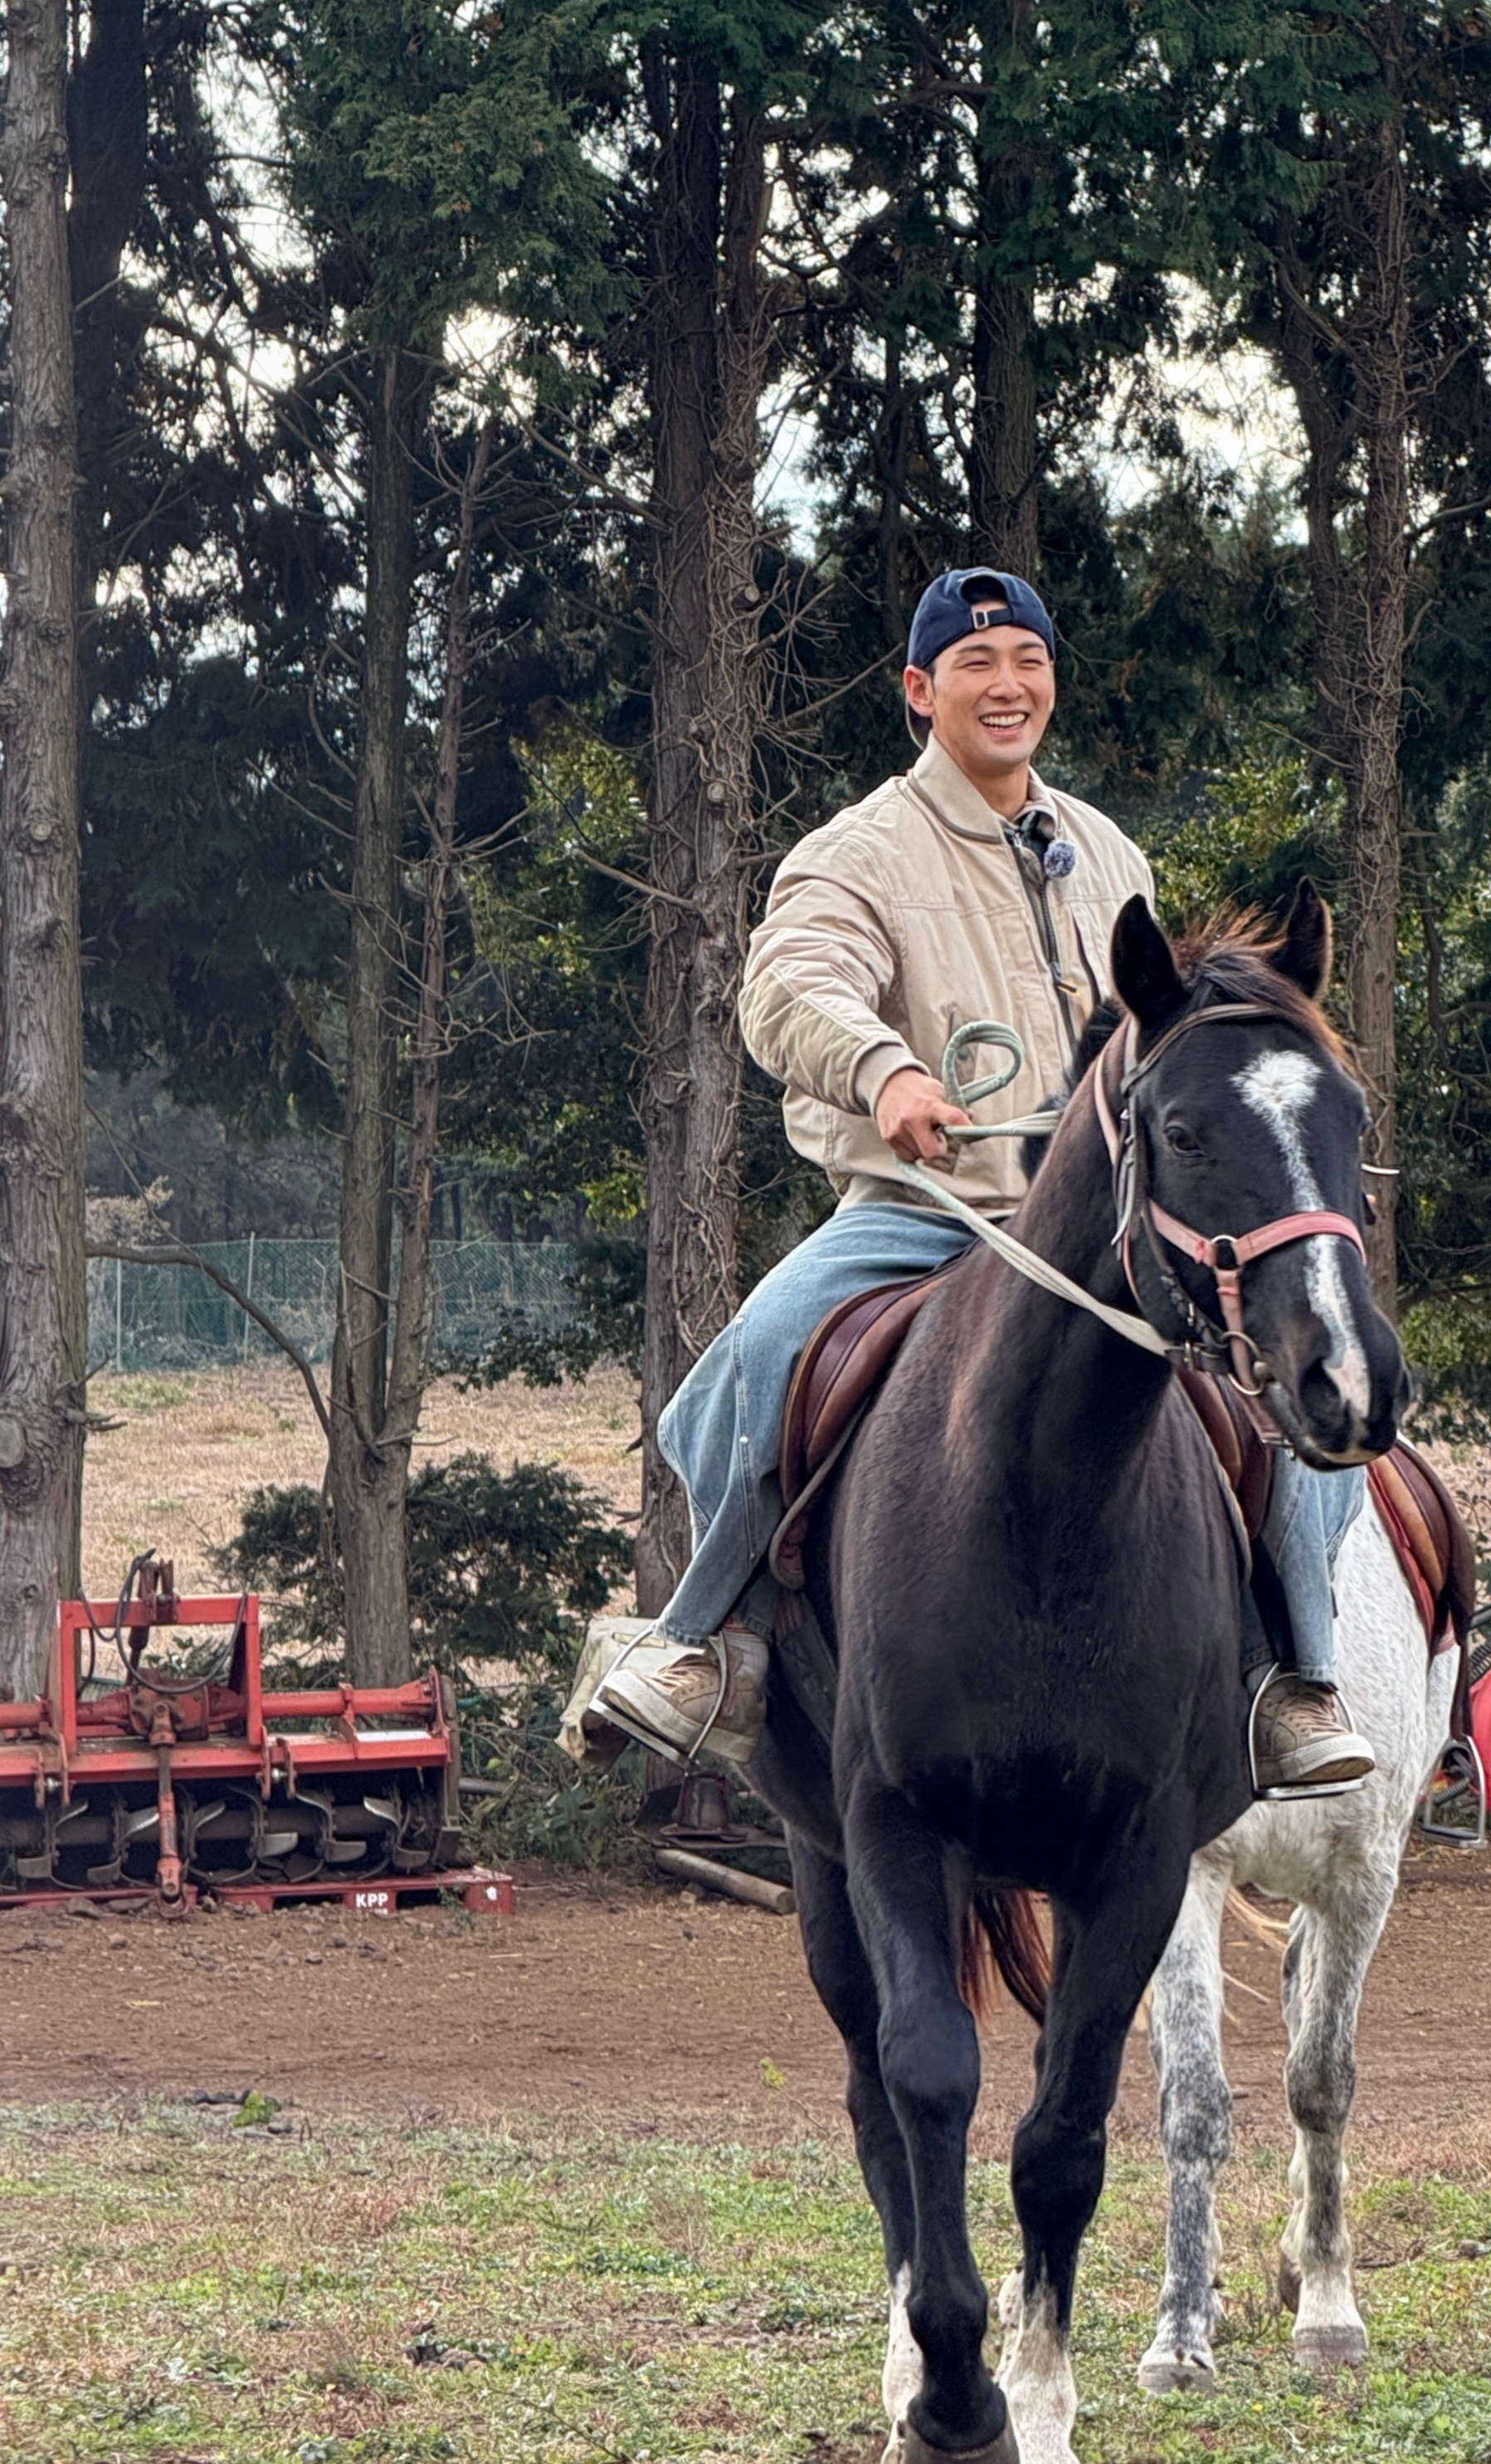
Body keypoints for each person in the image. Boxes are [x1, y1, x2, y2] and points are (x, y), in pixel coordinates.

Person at [575, 565, 1374, 1796]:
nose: (1009, 689)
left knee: (1295, 1360)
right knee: (757, 1355)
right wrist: (886, 1071)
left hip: (1107, 1230)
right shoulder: (856, 852)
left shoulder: (1106, 851)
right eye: (976, 667)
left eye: (1030, 665)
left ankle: (1294, 1680)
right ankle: (708, 1645)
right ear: (920, 690)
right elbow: (786, 989)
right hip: (922, 1217)